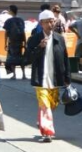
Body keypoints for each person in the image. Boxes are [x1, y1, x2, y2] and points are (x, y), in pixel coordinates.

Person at [25, 10, 71, 142]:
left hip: (55, 78)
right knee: (45, 104)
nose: (50, 24)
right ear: (41, 23)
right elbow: (28, 59)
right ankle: (48, 132)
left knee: (52, 104)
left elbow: (65, 59)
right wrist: (39, 47)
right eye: (47, 22)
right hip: (40, 79)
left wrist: (67, 78)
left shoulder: (59, 39)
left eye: (52, 21)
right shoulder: (34, 39)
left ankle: (42, 120)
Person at [3, 5, 26, 79]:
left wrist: (5, 43)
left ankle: (14, 74)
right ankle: (24, 75)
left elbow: (6, 33)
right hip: (20, 42)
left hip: (12, 42)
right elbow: (23, 32)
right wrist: (25, 42)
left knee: (12, 58)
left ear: (11, 11)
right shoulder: (21, 20)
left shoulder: (8, 21)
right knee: (21, 58)